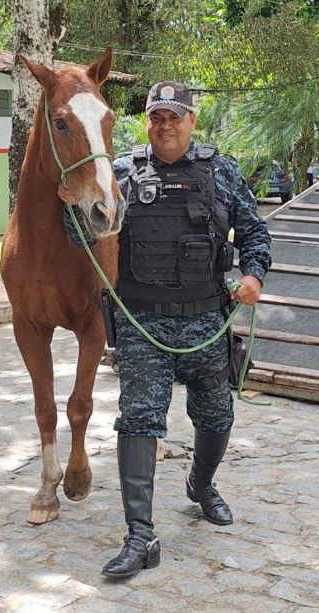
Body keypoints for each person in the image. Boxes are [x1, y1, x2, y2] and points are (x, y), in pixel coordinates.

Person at [58, 81, 272, 580]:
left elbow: (254, 231)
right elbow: (86, 237)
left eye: (175, 116)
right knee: (138, 421)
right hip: (143, 323)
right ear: (148, 123)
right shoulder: (122, 173)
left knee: (216, 416)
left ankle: (202, 484)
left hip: (206, 320)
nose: (166, 125)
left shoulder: (221, 171)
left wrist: (254, 275)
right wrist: (72, 205)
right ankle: (140, 536)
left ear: (191, 121)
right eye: (157, 117)